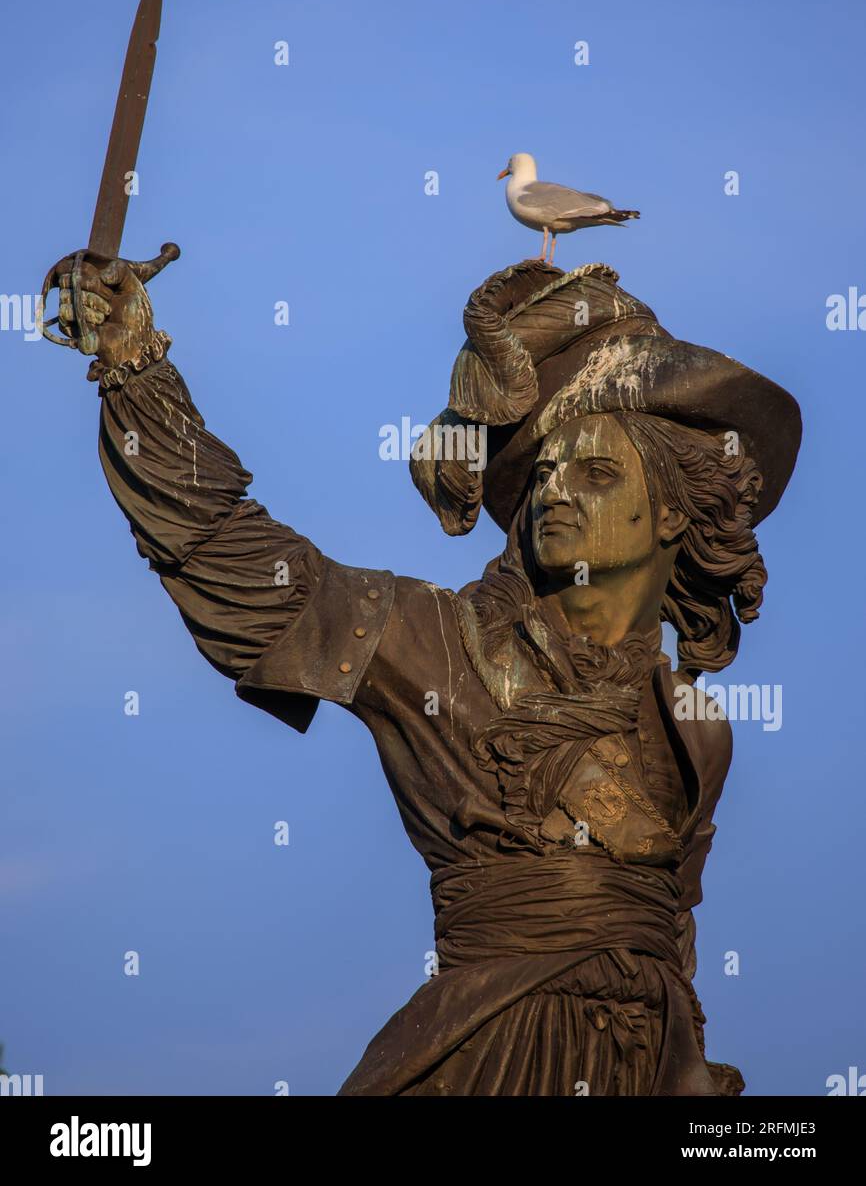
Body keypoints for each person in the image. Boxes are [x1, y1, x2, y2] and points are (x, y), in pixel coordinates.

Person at [49, 250, 801, 1096]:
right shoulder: (436, 642)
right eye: (544, 473)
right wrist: (137, 367)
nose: (555, 491)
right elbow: (231, 557)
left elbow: (669, 942)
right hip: (485, 1058)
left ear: (672, 510)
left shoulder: (696, 728)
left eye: (595, 473)